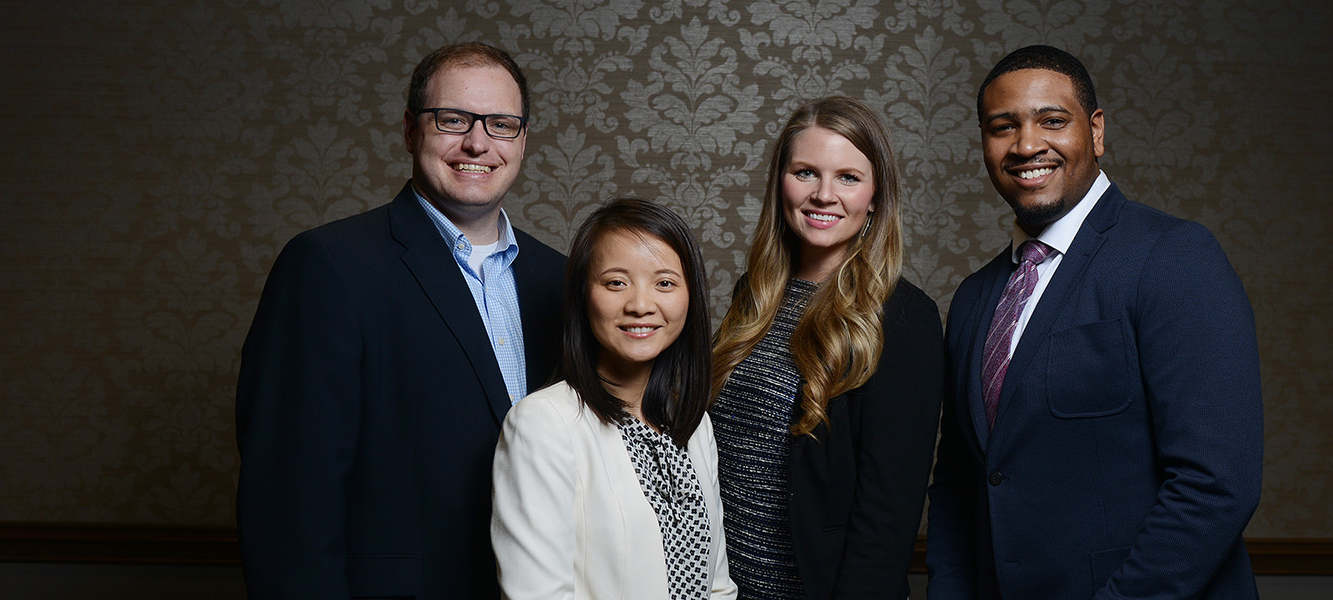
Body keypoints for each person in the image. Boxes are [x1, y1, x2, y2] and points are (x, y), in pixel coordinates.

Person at [925, 45, 1262, 599]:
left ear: (1096, 131)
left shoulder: (1174, 256)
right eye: (1002, 126)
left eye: (1052, 121)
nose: (1027, 145)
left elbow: (1217, 484)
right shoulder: (973, 299)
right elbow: (959, 486)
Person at [236, 42, 565, 599]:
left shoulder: (562, 281)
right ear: (411, 130)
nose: (477, 142)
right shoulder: (329, 266)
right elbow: (289, 495)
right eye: (453, 119)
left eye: (501, 124)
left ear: (523, 139)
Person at [708, 96, 944, 599]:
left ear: (876, 195)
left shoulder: (902, 319)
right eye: (806, 172)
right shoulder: (755, 294)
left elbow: (888, 517)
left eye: (848, 177)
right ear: (780, 183)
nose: (823, 195)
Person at [491, 198, 738, 600]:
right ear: (583, 297)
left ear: (690, 296)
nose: (640, 305)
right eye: (616, 282)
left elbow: (718, 587)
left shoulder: (691, 423)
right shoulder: (542, 424)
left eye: (664, 283)